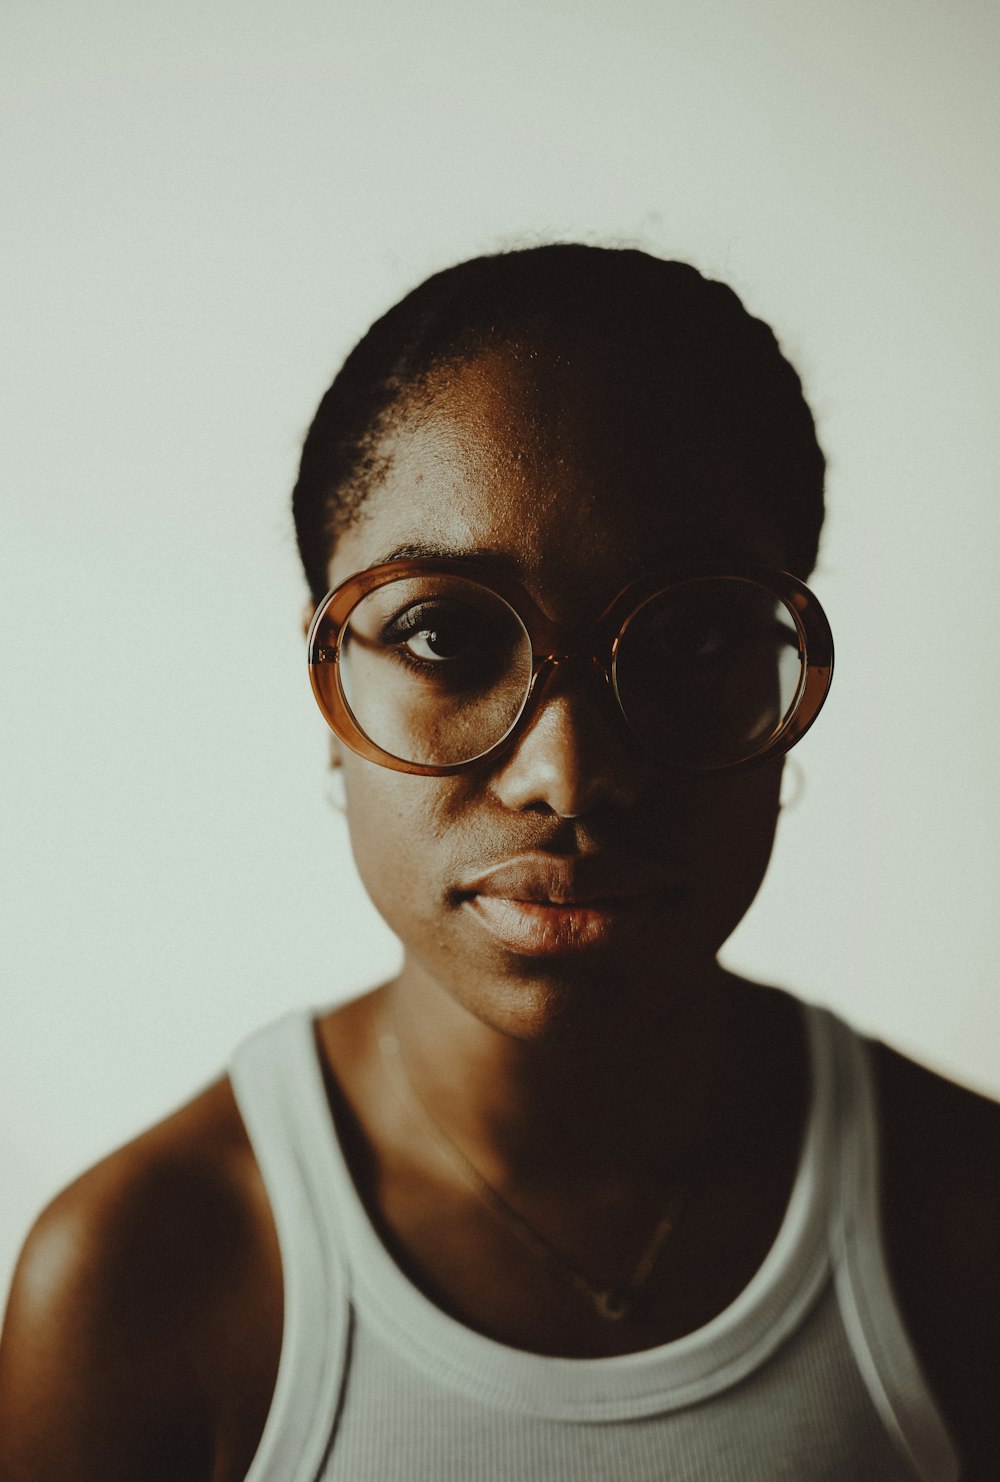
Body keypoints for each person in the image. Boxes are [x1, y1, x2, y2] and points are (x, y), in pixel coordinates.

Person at [1, 244, 997, 1481]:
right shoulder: (146, 1285)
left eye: (689, 635)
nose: (568, 778)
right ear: (325, 687)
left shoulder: (962, 1232)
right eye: (445, 634)